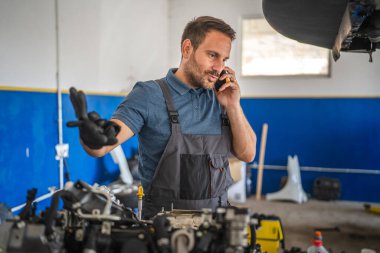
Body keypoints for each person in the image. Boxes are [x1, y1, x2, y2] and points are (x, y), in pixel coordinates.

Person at [70, 16, 256, 218]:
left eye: (224, 59)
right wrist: (91, 135)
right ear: (187, 49)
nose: (219, 67)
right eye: (212, 55)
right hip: (162, 230)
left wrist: (233, 104)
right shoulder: (149, 94)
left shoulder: (221, 99)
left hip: (216, 227)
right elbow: (102, 145)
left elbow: (247, 154)